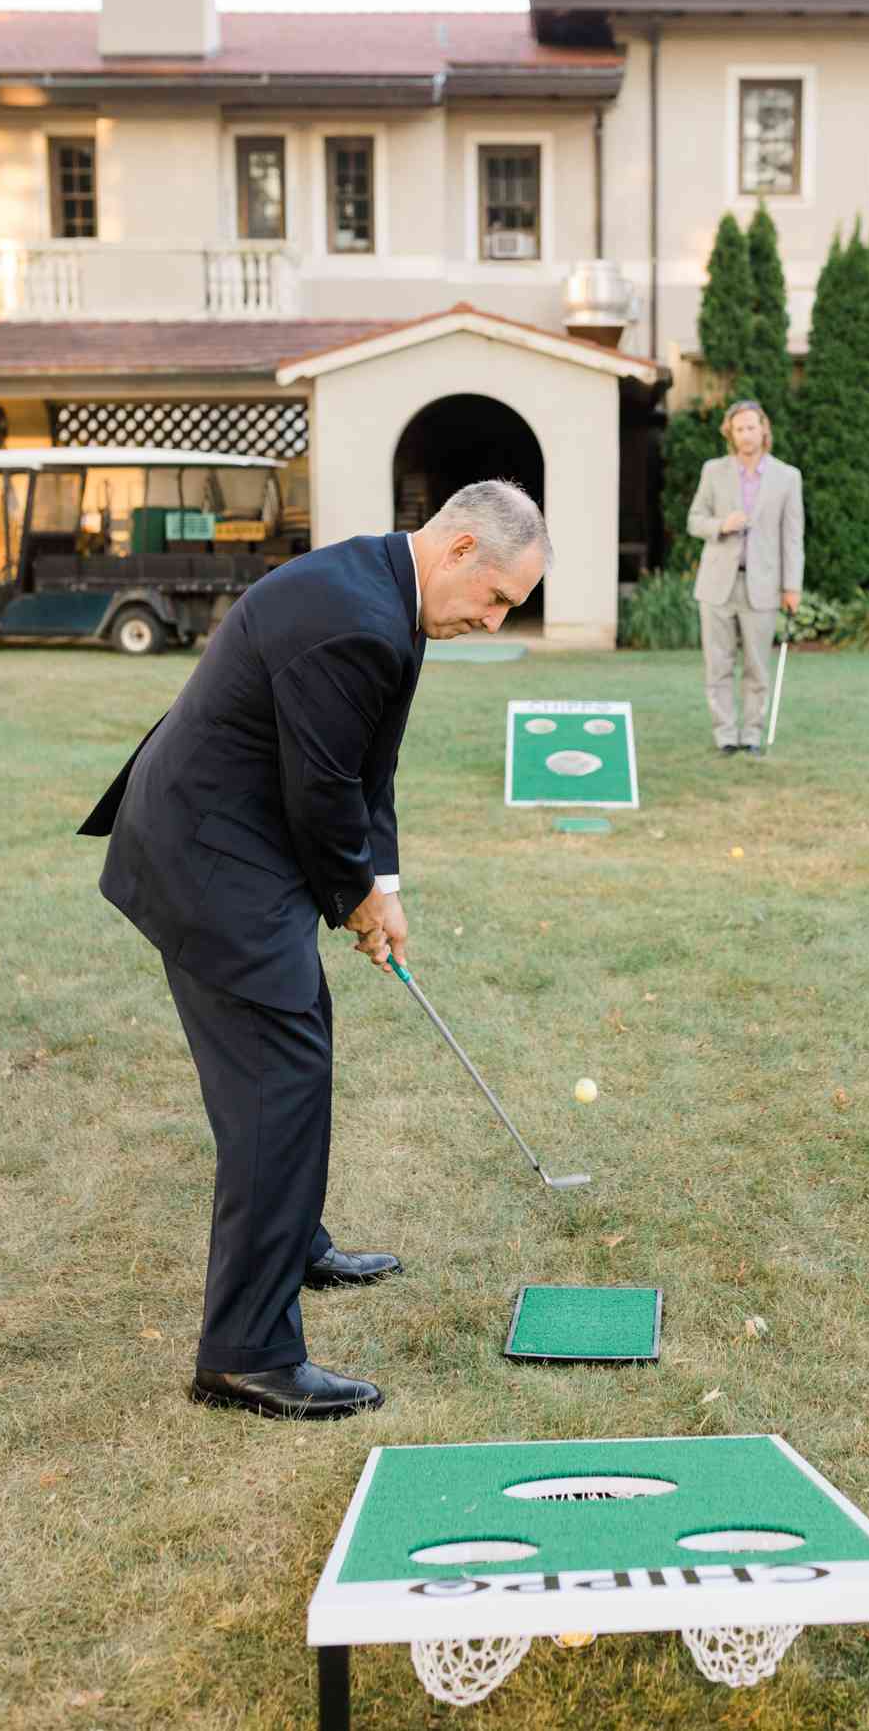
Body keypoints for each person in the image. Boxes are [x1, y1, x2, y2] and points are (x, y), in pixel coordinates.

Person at [78, 481, 550, 1420]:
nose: (496, 620)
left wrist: (386, 889)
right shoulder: (359, 620)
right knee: (275, 1079)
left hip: (242, 845)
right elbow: (323, 791)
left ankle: (293, 1242)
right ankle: (246, 1353)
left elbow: (372, 765)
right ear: (460, 550)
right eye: (498, 599)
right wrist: (357, 898)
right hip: (209, 854)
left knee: (297, 1046)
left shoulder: (392, 594)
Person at [687, 399, 803, 755]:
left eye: (751, 427)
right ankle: (725, 735)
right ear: (731, 434)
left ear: (763, 429)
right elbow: (694, 520)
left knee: (757, 667)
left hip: (763, 587)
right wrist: (722, 524)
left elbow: (792, 536)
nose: (746, 434)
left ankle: (751, 735)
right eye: (739, 429)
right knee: (718, 666)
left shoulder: (787, 477)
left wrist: (792, 586)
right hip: (716, 586)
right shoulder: (713, 471)